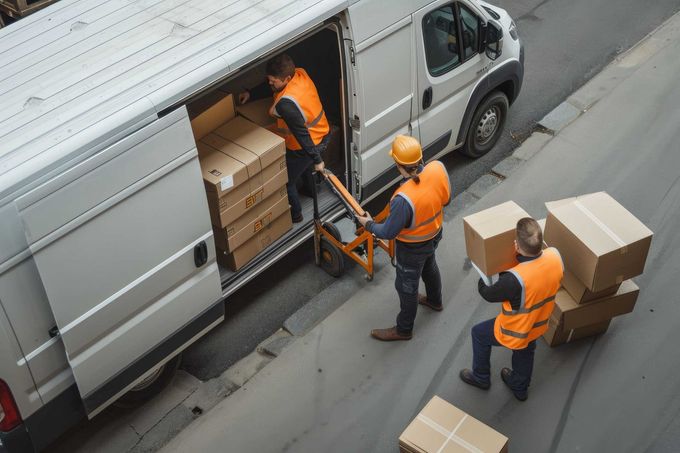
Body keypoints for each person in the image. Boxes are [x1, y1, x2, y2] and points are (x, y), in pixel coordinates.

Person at [357, 135, 451, 341]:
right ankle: (435, 301)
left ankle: (404, 329)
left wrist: (368, 224)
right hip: (434, 236)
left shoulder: (403, 198)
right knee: (429, 267)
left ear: (399, 165)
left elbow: (388, 232)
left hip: (412, 249)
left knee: (406, 287)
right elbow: (446, 199)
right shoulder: (438, 168)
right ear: (420, 157)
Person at [459, 218, 563, 401]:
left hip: (514, 329)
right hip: (537, 325)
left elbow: (488, 293)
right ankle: (519, 387)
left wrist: (484, 273)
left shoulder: (514, 280)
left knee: (478, 334)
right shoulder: (555, 256)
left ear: (516, 245)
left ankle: (481, 377)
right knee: (526, 351)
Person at [239, 54, 330, 223]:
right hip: (322, 131)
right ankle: (312, 191)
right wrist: (251, 93)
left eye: (273, 81)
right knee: (305, 167)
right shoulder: (299, 74)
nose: (270, 84)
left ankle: (296, 215)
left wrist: (317, 159)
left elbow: (301, 134)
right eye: (269, 80)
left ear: (287, 78)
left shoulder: (286, 104)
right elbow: (275, 86)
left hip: (306, 145)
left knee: (287, 179)